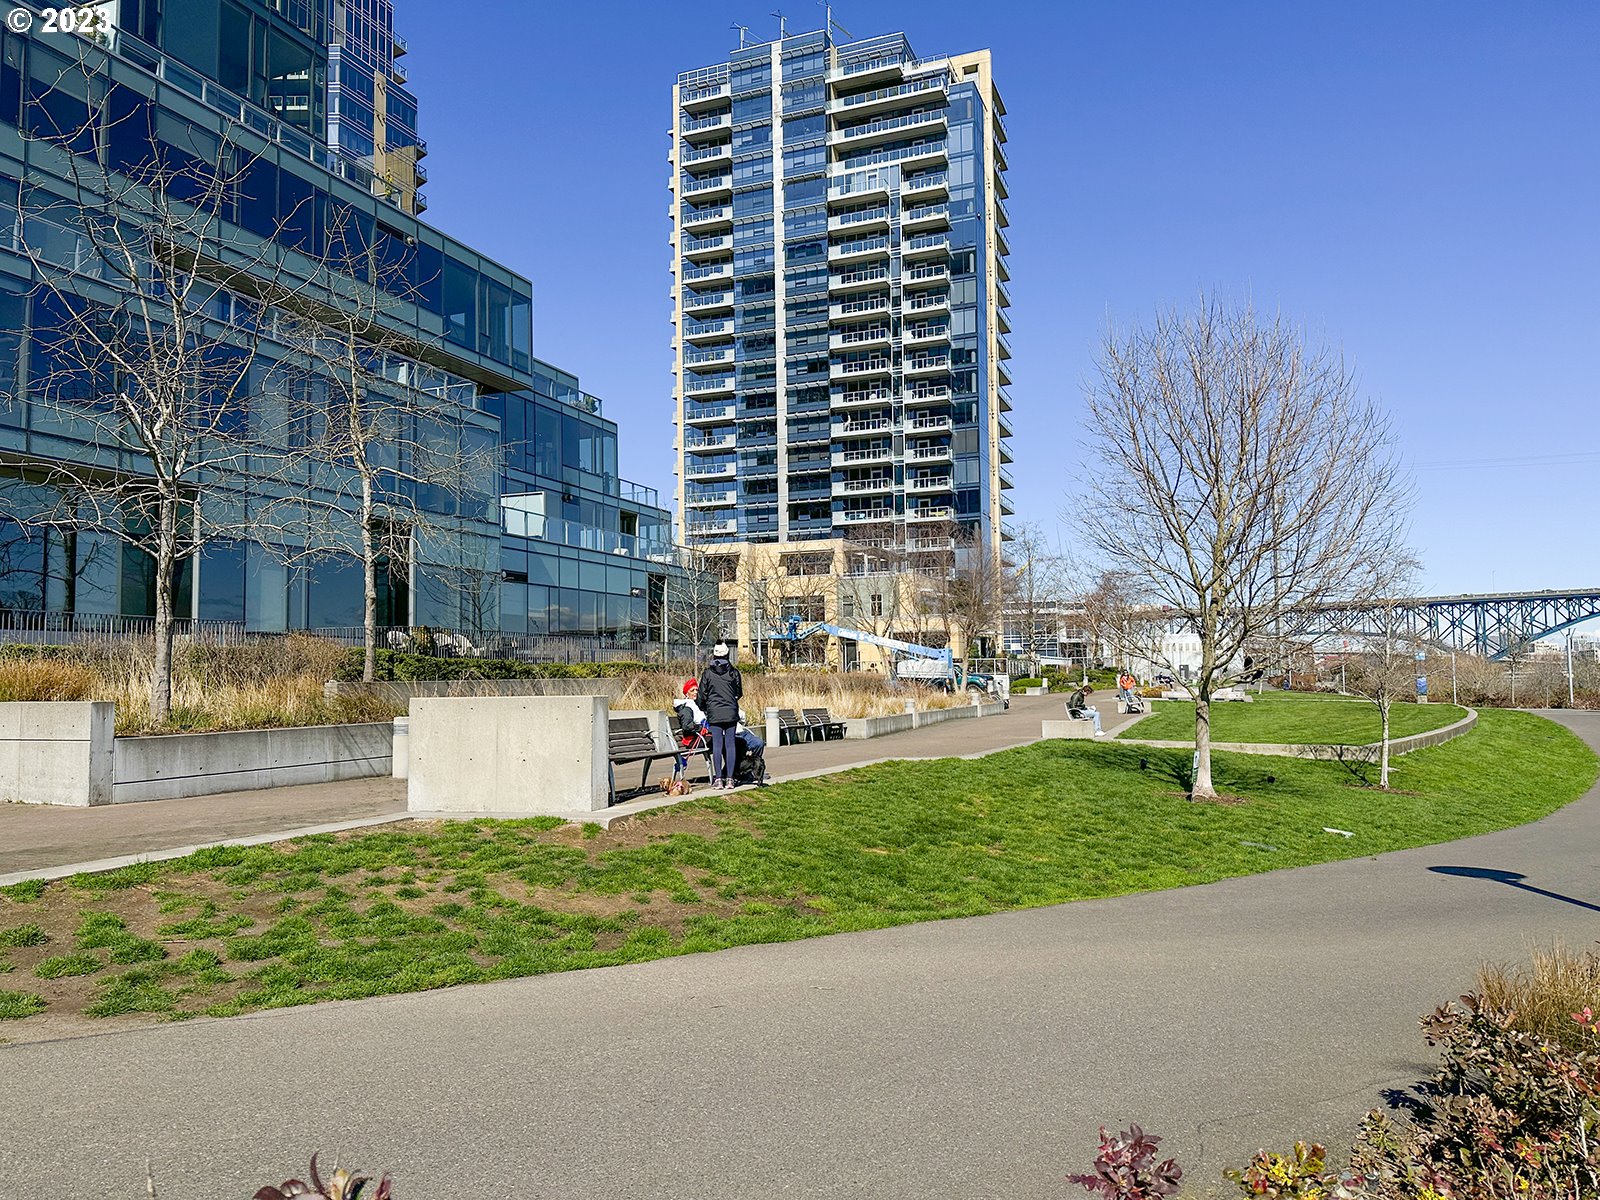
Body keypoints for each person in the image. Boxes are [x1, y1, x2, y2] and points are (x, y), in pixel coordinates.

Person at [698, 642, 743, 788]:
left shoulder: (707, 673)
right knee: (730, 745)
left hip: (715, 713)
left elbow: (701, 695)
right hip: (730, 712)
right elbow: (739, 693)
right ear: (727, 654)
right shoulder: (734, 672)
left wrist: (705, 708)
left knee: (717, 745)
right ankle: (730, 778)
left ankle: (718, 779)